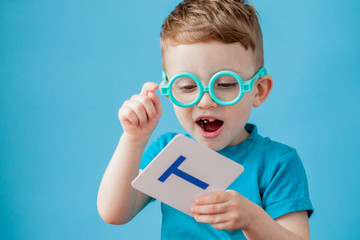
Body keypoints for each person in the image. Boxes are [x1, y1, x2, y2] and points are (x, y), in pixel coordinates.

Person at [97, 0, 314, 239]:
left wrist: (253, 219)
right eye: (188, 86)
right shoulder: (168, 152)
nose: (205, 100)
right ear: (169, 89)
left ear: (259, 90)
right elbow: (114, 213)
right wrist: (134, 139)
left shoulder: (277, 163)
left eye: (225, 84)